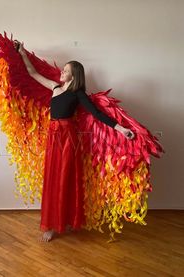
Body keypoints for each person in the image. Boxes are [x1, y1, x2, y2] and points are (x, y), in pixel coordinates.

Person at [14, 40, 135, 242]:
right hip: (53, 136)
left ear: (74, 74)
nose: (62, 71)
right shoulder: (55, 87)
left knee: (65, 178)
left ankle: (65, 221)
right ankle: (52, 224)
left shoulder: (78, 94)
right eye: (63, 69)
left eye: (66, 70)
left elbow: (96, 113)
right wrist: (23, 53)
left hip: (68, 137)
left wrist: (121, 129)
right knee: (53, 177)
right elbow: (33, 74)